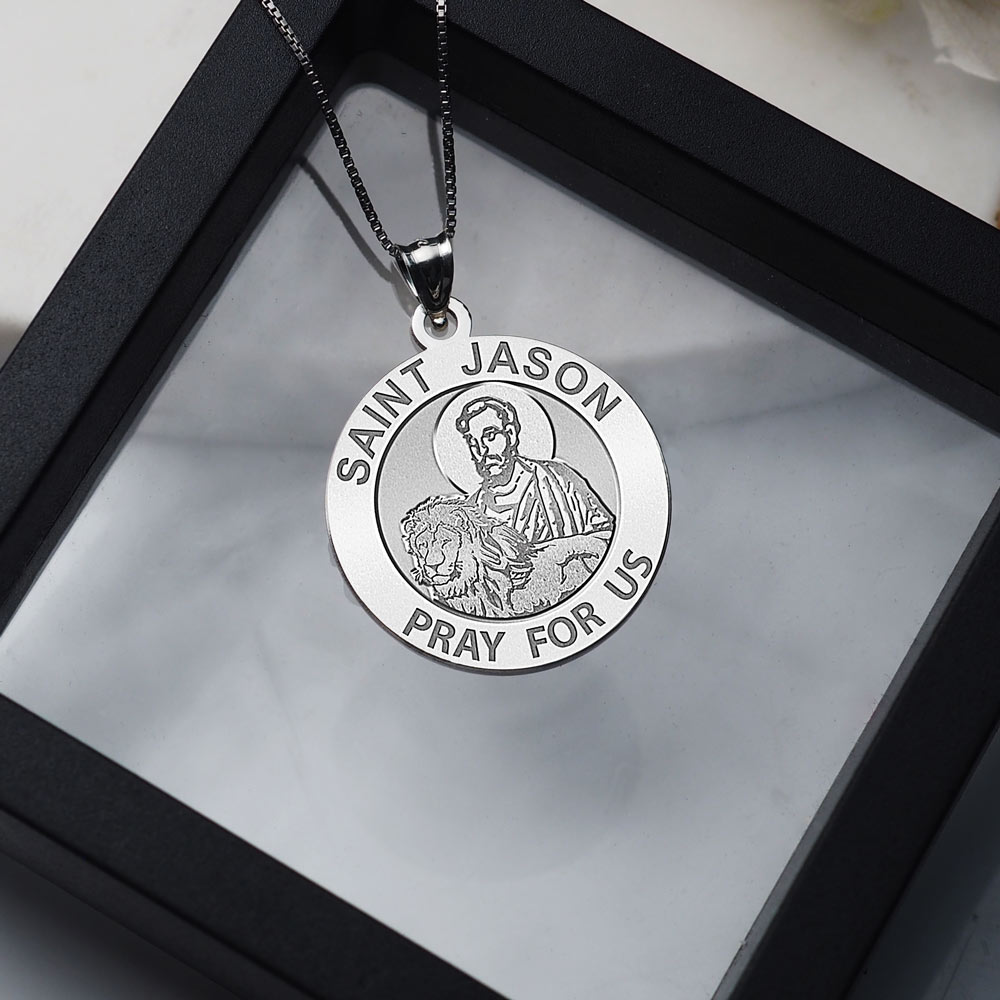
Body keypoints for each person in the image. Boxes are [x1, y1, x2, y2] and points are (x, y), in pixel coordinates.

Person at [455, 396, 614, 544]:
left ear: (511, 434)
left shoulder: (558, 479)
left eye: (490, 436)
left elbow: (605, 537)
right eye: (473, 443)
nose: (482, 451)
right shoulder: (470, 510)